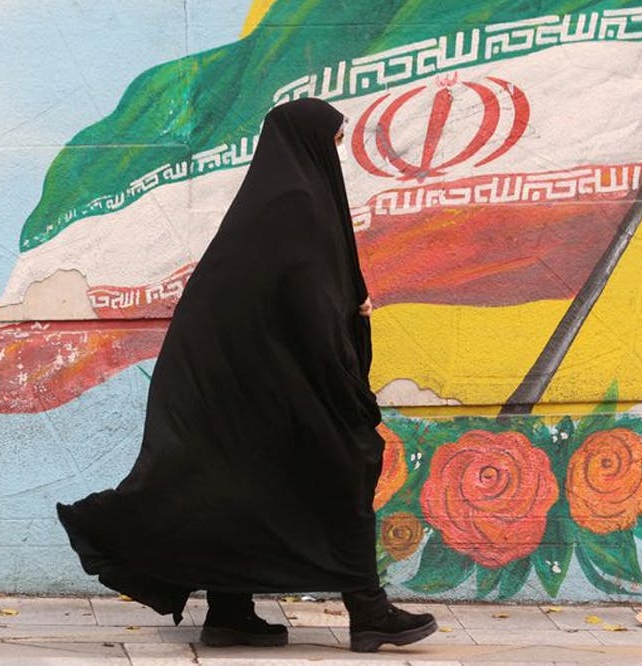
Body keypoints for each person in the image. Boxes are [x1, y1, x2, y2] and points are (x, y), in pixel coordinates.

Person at [55, 97, 438, 653]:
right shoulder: (297, 206)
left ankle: (230, 612)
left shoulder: (272, 204)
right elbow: (306, 299)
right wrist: (347, 328)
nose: (336, 153)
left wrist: (343, 309)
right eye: (331, 142)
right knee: (345, 469)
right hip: (268, 382)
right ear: (306, 143)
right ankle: (369, 611)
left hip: (235, 385)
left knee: (236, 489)